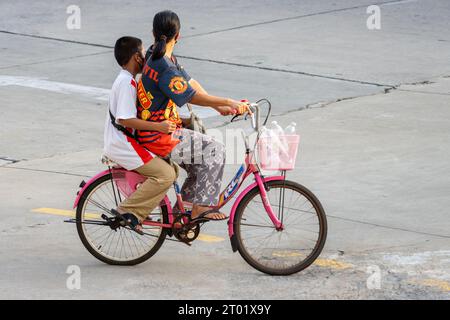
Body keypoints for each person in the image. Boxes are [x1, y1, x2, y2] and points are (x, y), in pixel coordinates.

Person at [136, 10, 250, 222]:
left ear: (153, 32)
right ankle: (199, 208)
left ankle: (186, 209)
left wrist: (219, 108)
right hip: (159, 136)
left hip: (156, 128)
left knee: (203, 153)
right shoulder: (164, 66)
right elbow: (191, 96)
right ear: (178, 36)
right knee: (215, 150)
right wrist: (227, 102)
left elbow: (189, 83)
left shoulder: (156, 54)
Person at [103, 36, 177, 233]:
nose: (146, 57)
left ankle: (140, 210)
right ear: (136, 57)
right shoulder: (127, 83)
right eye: (143, 53)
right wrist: (159, 128)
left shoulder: (127, 80)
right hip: (123, 144)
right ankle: (129, 212)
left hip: (124, 141)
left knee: (172, 169)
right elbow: (124, 119)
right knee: (165, 175)